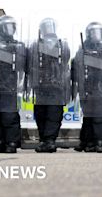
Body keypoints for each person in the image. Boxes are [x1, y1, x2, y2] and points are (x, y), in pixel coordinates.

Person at [27, 18, 70, 153]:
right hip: (40, 87)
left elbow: (65, 62)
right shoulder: (35, 45)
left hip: (56, 87)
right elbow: (30, 64)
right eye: (46, 26)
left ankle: (50, 141)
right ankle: (44, 140)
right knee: (41, 114)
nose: (49, 28)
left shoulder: (62, 45)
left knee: (53, 114)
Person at [72, 22, 102, 153]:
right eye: (92, 31)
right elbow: (76, 69)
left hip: (101, 88)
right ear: (88, 34)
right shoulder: (81, 51)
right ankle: (88, 141)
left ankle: (101, 141)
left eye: (98, 31)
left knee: (100, 117)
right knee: (88, 117)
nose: (95, 34)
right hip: (87, 88)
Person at [0, 15, 26, 153]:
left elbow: (22, 67)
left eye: (12, 27)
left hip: (10, 87)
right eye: (7, 26)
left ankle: (11, 143)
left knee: (10, 117)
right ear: (1, 28)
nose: (11, 29)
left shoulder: (19, 46)